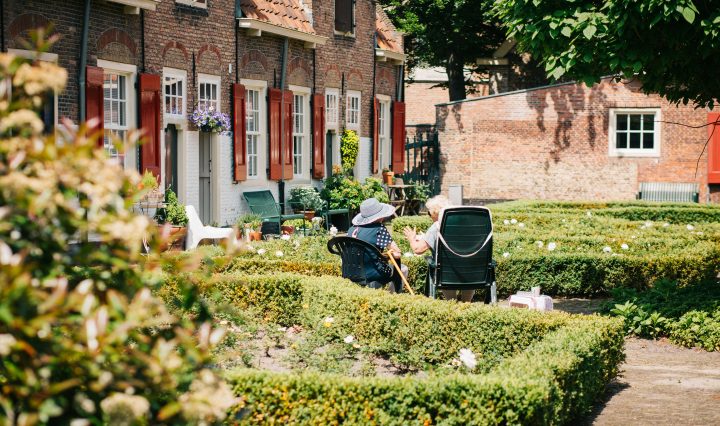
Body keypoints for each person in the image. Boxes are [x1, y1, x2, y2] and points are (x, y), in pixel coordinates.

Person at [403, 195, 475, 302]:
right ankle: (466, 303)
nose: (429, 216)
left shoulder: (437, 226)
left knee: (443, 267)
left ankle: (452, 303)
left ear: (436, 213)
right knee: (463, 266)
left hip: (447, 273)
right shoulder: (467, 225)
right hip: (471, 272)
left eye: (429, 213)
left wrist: (411, 238)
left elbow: (418, 249)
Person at [347, 197, 407, 293]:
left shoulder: (351, 229)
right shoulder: (379, 229)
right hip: (371, 273)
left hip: (350, 272)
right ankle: (393, 297)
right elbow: (397, 253)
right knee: (403, 269)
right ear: (379, 216)